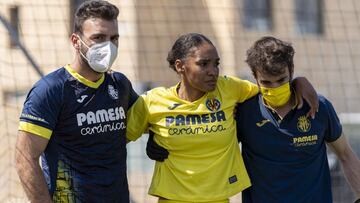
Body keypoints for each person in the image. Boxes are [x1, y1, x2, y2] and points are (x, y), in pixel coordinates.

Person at [127, 33, 318, 203]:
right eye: (203, 64)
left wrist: (298, 82)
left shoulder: (229, 89)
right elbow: (115, 140)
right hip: (172, 198)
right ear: (180, 66)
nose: (213, 71)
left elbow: (267, 86)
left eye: (216, 64)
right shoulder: (152, 101)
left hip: (219, 198)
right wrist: (153, 134)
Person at [15, 1, 138, 202]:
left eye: (113, 38)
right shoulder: (51, 90)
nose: (108, 46)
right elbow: (24, 158)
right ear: (75, 41)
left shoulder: (120, 85)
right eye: (98, 38)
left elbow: (148, 119)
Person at [236, 36, 360, 202]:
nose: (275, 88)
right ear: (255, 77)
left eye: (281, 80)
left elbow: (346, 154)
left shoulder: (319, 107)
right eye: (266, 82)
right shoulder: (243, 112)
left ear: (292, 71)